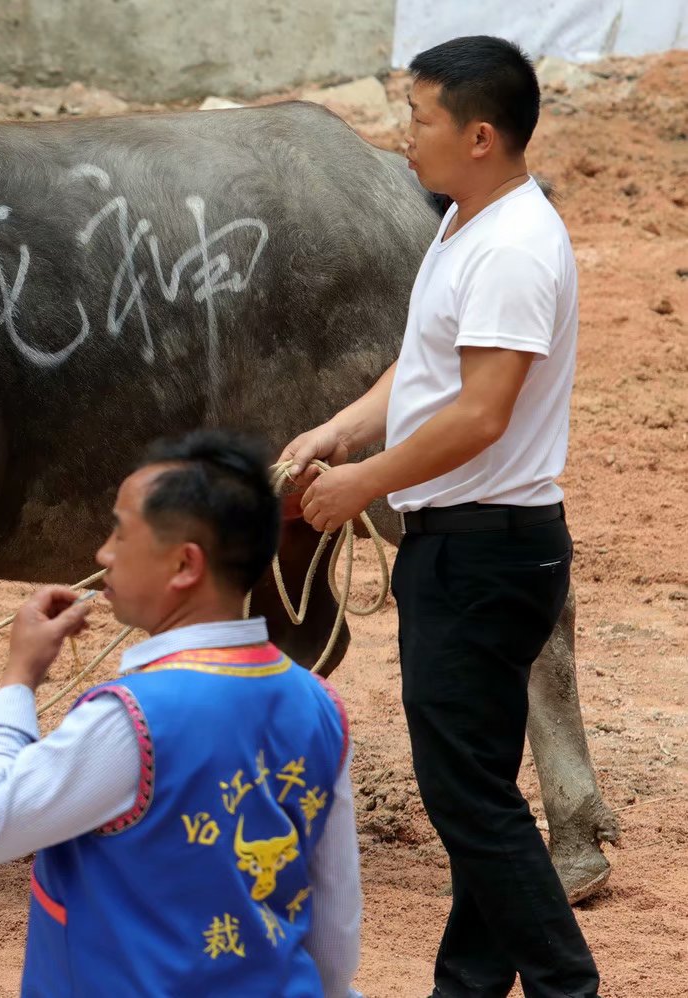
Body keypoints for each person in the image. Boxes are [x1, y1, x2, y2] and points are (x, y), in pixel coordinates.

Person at [279, 35, 598, 998]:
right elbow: (425, 375)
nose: (403, 136)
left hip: (480, 551)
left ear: (481, 134)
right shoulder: (469, 224)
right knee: (481, 791)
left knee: (467, 801)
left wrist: (364, 483)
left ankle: (564, 983)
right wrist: (341, 428)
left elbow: (479, 411)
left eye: (419, 118)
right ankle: (467, 985)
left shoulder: (510, 248)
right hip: (477, 546)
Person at [0, 431, 361, 996]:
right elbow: (334, 931)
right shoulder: (321, 704)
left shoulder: (128, 718)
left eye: (121, 532)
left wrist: (18, 680)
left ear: (184, 564)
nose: (103, 554)